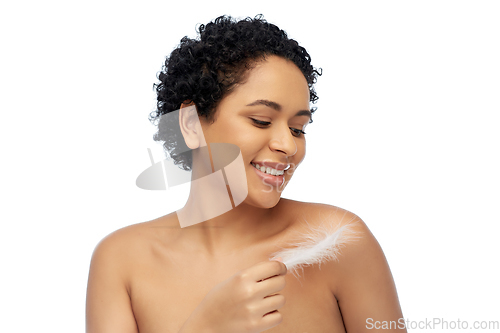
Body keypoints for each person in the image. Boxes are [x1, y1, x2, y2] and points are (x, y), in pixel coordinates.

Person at [86, 15, 406, 333]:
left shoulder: (337, 241)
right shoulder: (122, 261)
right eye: (262, 121)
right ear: (190, 124)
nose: (288, 146)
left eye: (298, 128)